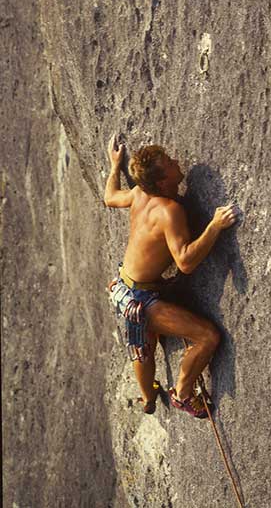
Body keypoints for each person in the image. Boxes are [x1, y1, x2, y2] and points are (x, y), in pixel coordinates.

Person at [104, 133, 237, 418]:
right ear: (163, 182)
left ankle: (148, 398)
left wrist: (115, 166)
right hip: (142, 299)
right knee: (206, 337)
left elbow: (110, 197)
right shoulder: (170, 211)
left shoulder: (139, 192)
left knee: (143, 346)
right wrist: (214, 226)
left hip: (125, 288)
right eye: (170, 163)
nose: (177, 162)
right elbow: (186, 261)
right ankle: (183, 394)